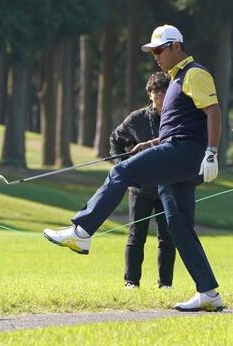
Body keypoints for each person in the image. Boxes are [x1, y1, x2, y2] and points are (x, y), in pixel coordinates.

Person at [43, 24, 223, 311]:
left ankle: (82, 232)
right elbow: (181, 123)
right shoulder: (175, 79)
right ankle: (209, 293)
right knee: (179, 225)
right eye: (153, 52)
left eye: (160, 50)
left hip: (184, 152)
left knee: (120, 172)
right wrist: (150, 143)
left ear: (177, 46)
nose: (156, 56)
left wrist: (211, 152)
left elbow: (213, 112)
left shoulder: (194, 74)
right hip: (177, 151)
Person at [109, 72, 176, 289]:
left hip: (168, 186)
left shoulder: (176, 117)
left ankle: (165, 284)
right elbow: (115, 141)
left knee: (167, 238)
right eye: (155, 91)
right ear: (149, 94)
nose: (159, 95)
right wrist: (125, 168)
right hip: (140, 188)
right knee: (136, 237)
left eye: (164, 91)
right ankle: (131, 282)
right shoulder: (137, 119)